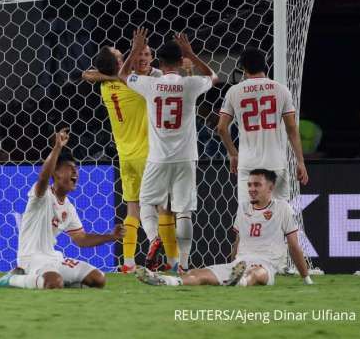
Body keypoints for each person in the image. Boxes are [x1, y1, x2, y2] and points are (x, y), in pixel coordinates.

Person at [119, 29, 218, 274]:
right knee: (183, 210)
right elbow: (213, 76)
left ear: (160, 63)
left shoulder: (150, 84)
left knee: (145, 203)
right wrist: (192, 55)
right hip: (186, 157)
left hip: (158, 158)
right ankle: (183, 264)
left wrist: (135, 49)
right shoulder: (190, 84)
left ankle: (154, 237)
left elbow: (122, 75)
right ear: (179, 59)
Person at [82, 37, 178, 273]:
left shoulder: (106, 87)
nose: (125, 57)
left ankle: (127, 263)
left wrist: (112, 72)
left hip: (124, 157)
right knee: (163, 207)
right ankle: (174, 261)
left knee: (132, 209)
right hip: (147, 154)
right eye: (120, 55)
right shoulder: (135, 84)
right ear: (118, 63)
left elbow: (88, 74)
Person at [137, 169, 314, 287]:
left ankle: (242, 281)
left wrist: (305, 277)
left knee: (256, 273)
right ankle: (167, 281)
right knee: (198, 273)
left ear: (270, 188)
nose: (251, 189)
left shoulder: (282, 208)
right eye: (250, 184)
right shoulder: (243, 208)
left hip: (266, 264)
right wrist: (232, 263)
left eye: (257, 185)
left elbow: (293, 245)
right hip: (238, 264)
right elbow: (237, 242)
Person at [0, 128, 125, 289]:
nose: (75, 172)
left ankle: (60, 281)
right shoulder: (42, 196)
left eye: (76, 169)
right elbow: (43, 176)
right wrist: (57, 147)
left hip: (54, 258)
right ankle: (12, 279)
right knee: (53, 283)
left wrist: (111, 236)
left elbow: (81, 239)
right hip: (31, 259)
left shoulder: (69, 207)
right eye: (70, 168)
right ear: (56, 173)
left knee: (98, 279)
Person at [216, 48, 309, 205]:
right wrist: (300, 161)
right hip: (276, 164)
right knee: (281, 218)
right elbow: (292, 129)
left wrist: (233, 154)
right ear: (265, 65)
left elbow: (221, 128)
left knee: (249, 218)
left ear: (243, 68)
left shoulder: (234, 91)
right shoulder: (281, 89)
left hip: (248, 165)